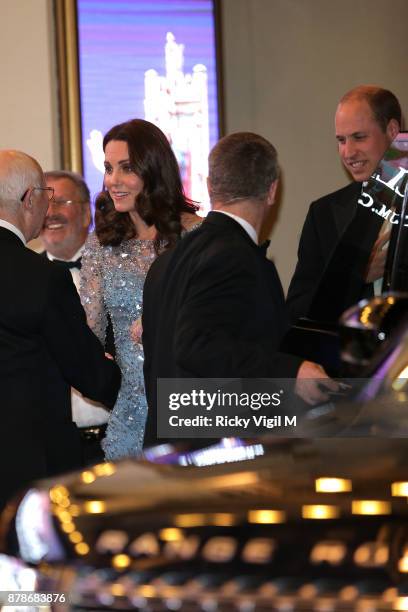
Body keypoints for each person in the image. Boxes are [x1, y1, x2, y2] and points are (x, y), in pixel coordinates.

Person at [142, 132, 337, 448]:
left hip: (169, 453)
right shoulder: (233, 256)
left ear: (210, 186)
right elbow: (196, 345)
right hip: (219, 459)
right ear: (272, 190)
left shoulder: (167, 262)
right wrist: (292, 371)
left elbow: (157, 371)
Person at [0, 150, 121, 509]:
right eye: (45, 196)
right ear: (29, 199)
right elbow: (88, 372)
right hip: (35, 472)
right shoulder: (41, 277)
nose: (48, 209)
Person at [80, 118, 200, 461]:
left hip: (189, 408)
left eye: (126, 168)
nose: (112, 180)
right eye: (108, 168)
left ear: (153, 170)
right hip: (129, 416)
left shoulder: (197, 237)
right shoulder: (100, 248)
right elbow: (89, 334)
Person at [287, 85, 402, 323]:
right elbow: (297, 311)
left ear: (392, 131)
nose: (348, 152)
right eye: (341, 140)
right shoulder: (323, 214)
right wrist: (358, 276)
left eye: (359, 137)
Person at [40, 170, 111, 464]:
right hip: (55, 447)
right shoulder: (25, 282)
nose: (51, 213)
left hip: (118, 437)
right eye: (45, 203)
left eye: (61, 202)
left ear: (86, 214)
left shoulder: (117, 272)